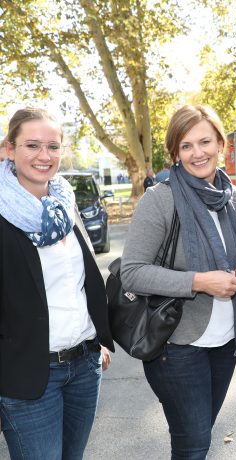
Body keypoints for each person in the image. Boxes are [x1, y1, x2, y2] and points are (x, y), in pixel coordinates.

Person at [121, 104, 236, 460]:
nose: (198, 153)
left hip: (225, 341)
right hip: (177, 345)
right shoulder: (160, 199)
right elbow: (132, 272)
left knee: (199, 439)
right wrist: (198, 282)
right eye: (186, 145)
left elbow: (231, 259)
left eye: (205, 142)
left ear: (221, 144)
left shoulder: (234, 198)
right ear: (175, 153)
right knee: (193, 444)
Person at [0, 108, 114, 459]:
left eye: (53, 146)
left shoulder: (64, 203)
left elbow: (80, 281)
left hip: (85, 365)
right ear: (9, 149)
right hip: (28, 374)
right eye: (32, 145)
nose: (44, 156)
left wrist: (95, 339)